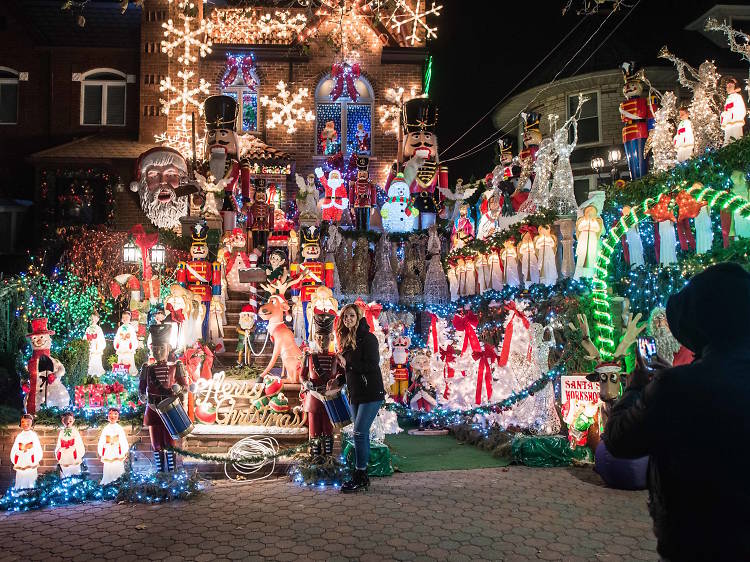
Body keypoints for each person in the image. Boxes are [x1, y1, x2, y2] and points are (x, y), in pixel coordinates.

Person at [605, 263, 750, 560]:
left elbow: (619, 439)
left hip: (698, 539)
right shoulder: (682, 383)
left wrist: (636, 388)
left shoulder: (677, 387)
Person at [332, 303, 385, 493]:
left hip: (371, 392)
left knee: (359, 433)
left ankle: (361, 475)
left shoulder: (368, 339)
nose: (348, 319)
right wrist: (339, 379)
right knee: (358, 433)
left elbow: (372, 364)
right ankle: (360, 474)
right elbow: (348, 369)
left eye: (351, 316)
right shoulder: (346, 340)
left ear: (358, 317)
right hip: (355, 393)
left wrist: (349, 364)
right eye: (345, 317)